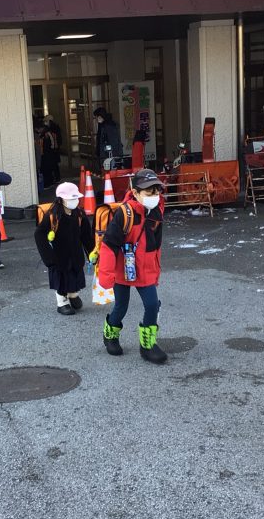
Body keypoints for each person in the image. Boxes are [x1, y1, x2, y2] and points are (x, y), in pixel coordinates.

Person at [97, 169, 167, 364]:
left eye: (157, 191)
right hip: (123, 268)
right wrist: (106, 274)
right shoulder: (124, 213)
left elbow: (155, 246)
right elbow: (109, 245)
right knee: (121, 306)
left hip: (144, 269)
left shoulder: (157, 211)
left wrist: (155, 270)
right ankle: (110, 335)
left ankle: (148, 345)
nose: (154, 196)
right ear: (135, 192)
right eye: (149, 192)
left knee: (152, 305)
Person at [35, 182, 95, 315]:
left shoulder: (79, 214)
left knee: (75, 273)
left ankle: (73, 294)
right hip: (59, 256)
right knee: (61, 278)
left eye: (76, 198)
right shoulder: (53, 215)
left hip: (75, 253)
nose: (75, 201)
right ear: (61, 199)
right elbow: (39, 234)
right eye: (71, 198)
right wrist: (48, 258)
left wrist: (92, 252)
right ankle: (62, 302)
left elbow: (86, 235)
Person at [93, 107, 123, 171]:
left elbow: (113, 142)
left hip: (109, 156)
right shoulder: (103, 125)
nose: (96, 119)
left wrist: (110, 155)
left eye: (96, 117)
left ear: (100, 116)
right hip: (106, 155)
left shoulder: (109, 126)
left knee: (109, 172)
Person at [39, 115, 62, 185]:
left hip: (51, 150)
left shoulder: (49, 130)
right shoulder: (55, 127)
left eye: (45, 121)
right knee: (55, 164)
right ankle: (57, 178)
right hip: (55, 149)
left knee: (52, 165)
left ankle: (54, 179)